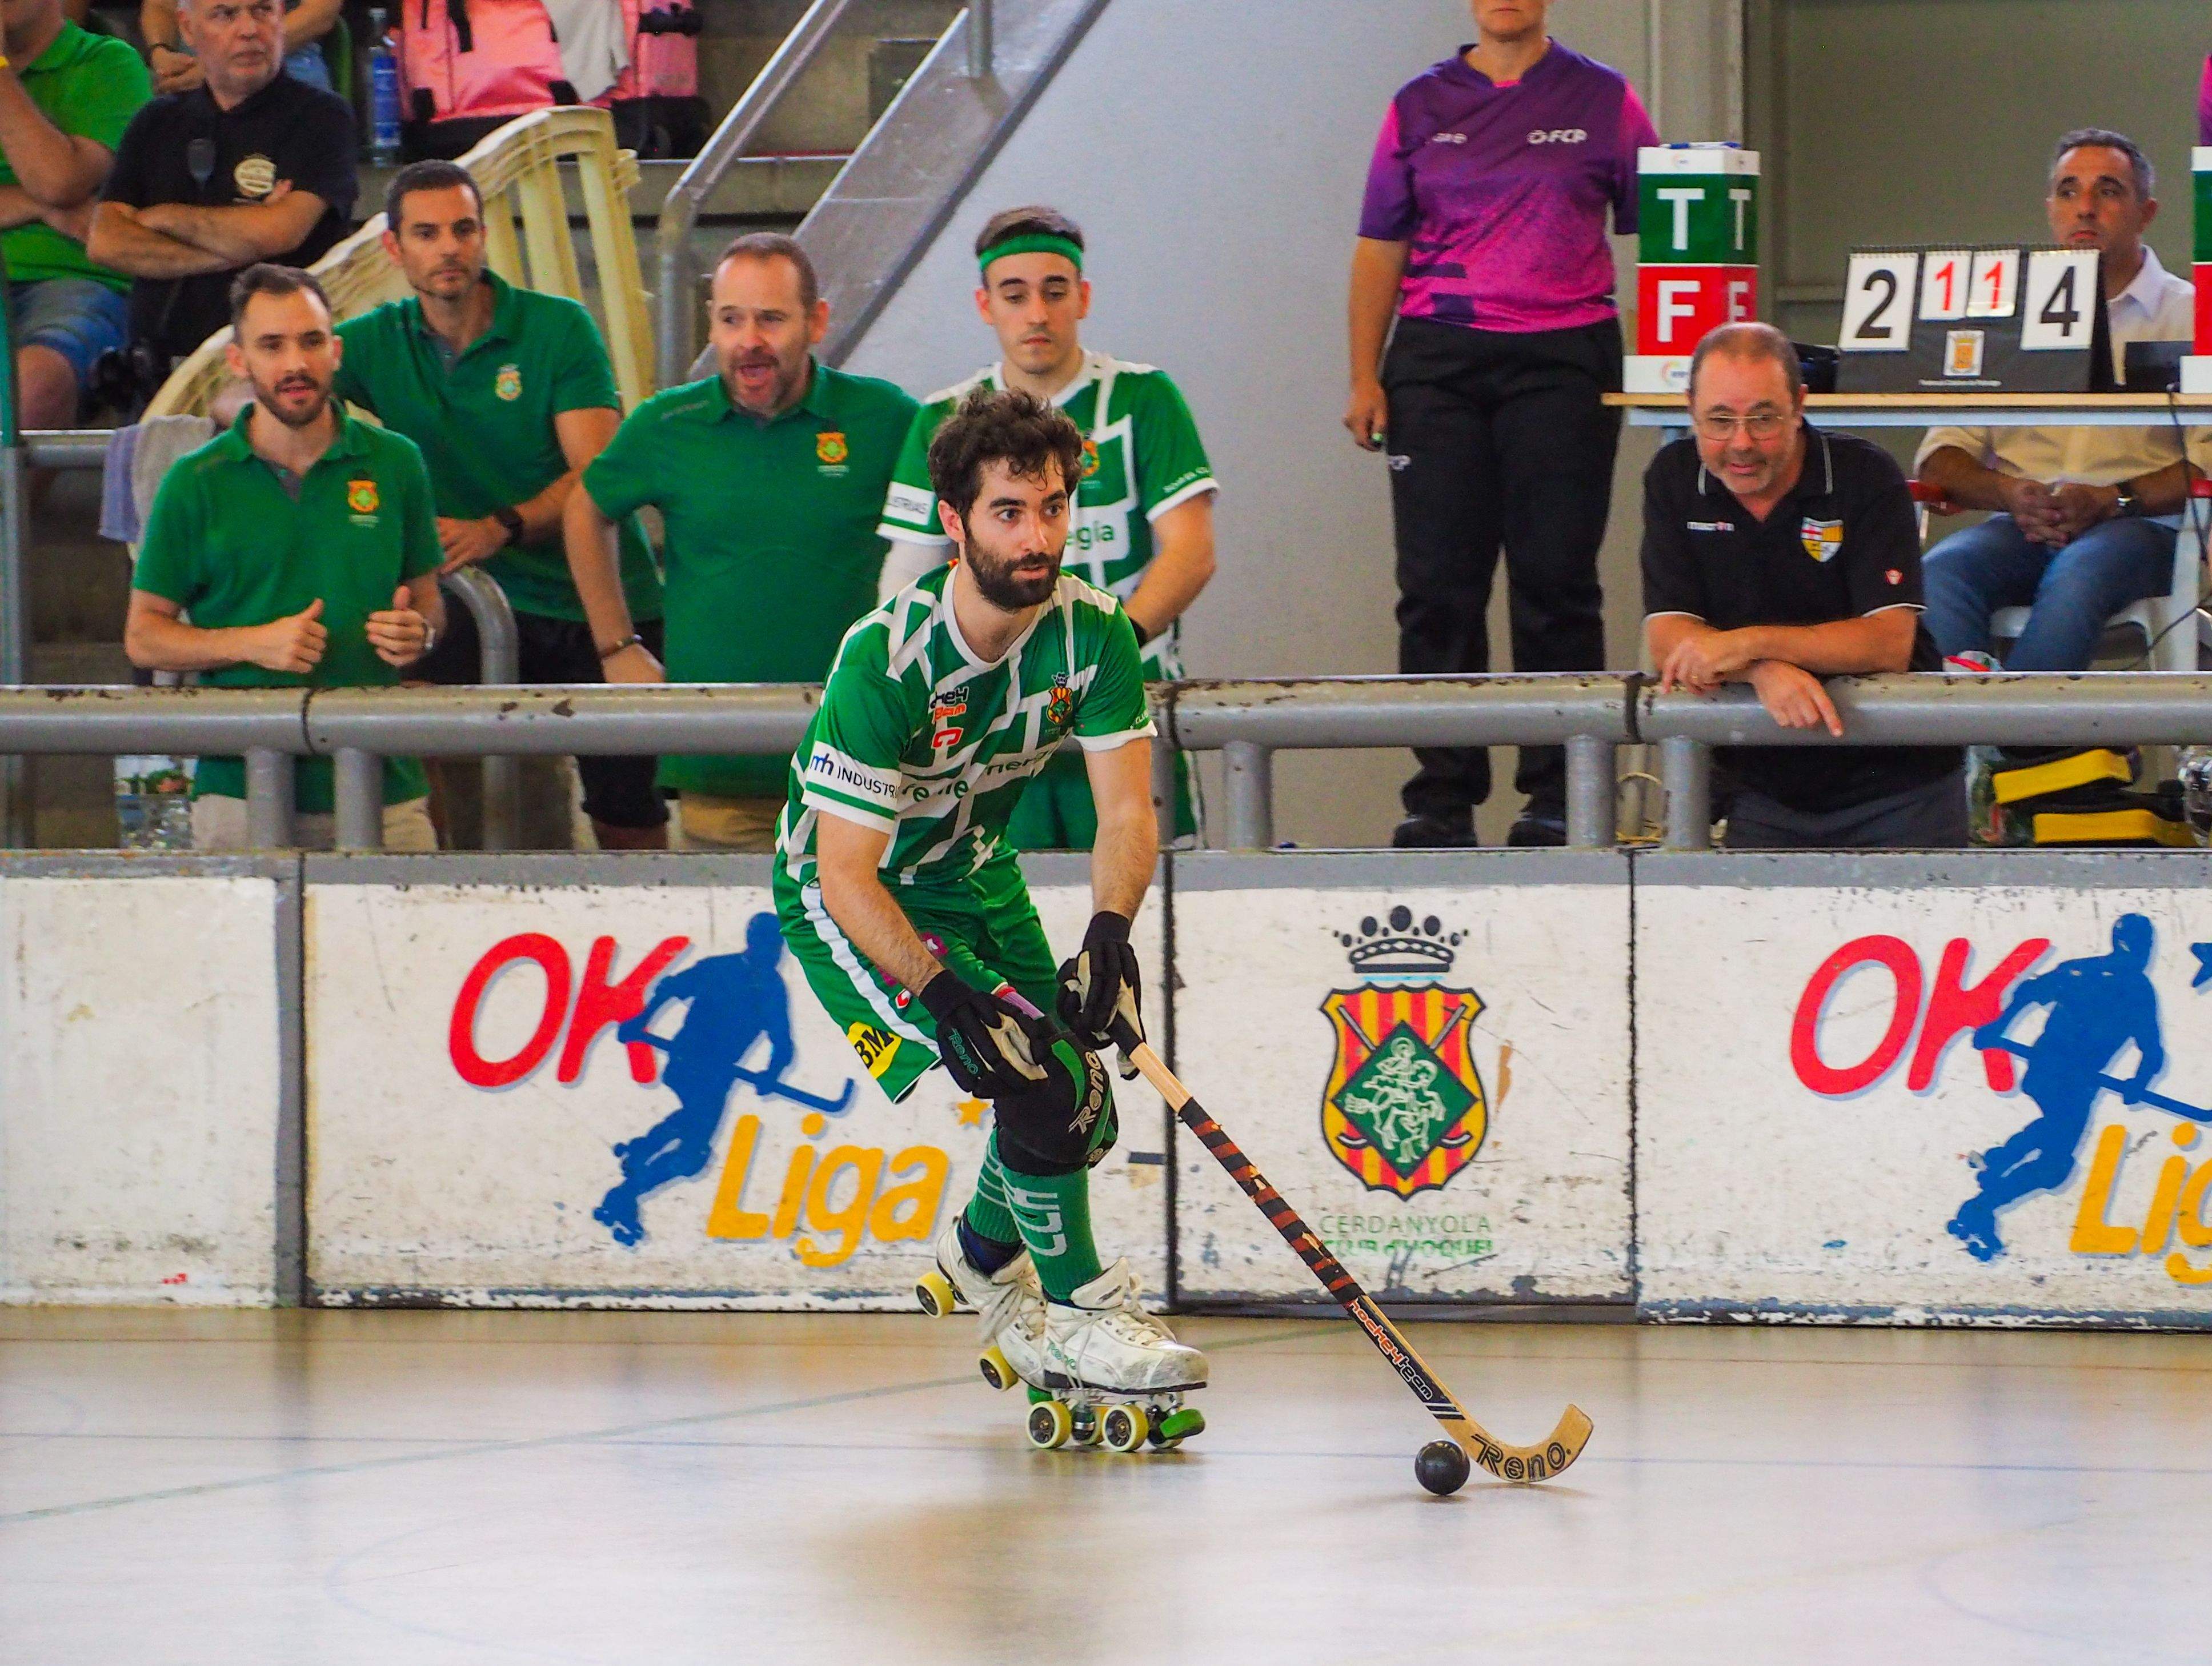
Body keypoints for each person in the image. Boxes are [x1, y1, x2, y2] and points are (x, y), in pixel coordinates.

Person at [775, 387, 1204, 1416]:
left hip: (975, 872)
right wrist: (942, 998)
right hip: (859, 899)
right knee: (1038, 1086)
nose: (1038, 535)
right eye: (1009, 511)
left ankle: (978, 1258)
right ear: (954, 522)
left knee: (1083, 1109)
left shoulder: (1096, 634)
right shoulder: (885, 661)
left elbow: (1125, 816)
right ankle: (1084, 1313)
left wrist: (1109, 935)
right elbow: (845, 873)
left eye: (1053, 507)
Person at [1349, 0, 1658, 849]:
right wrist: (1362, 376)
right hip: (1437, 363)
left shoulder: (1606, 100)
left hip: (1564, 357)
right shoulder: (1419, 106)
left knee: (1556, 581)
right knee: (1436, 589)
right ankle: (1440, 798)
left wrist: (1684, 364)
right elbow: (1380, 244)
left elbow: (1671, 228)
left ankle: (1559, 792)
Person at [334, 159, 668, 851]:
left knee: (625, 815)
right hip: (471, 603)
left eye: (462, 229)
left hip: (593, 598)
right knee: (418, 735)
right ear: (394, 249)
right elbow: (283, 388)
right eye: (426, 234)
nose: (448, 247)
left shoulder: (556, 329)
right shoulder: (376, 340)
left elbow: (597, 476)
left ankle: (652, 955)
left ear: (484, 236)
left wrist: (498, 528)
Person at [877, 205, 1219, 850]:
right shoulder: (938, 416)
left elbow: (1191, 553)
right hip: (987, 717)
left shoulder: (1144, 397)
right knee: (994, 911)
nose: (1036, 313)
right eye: (1015, 294)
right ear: (986, 305)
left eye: (1054, 292)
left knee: (1144, 914)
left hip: (1124, 702)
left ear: (1082, 297)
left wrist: (1101, 659)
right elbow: (906, 577)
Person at [567, 233, 916, 852]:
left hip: (863, 770)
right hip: (719, 772)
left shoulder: (886, 418)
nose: (748, 341)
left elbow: (966, 519)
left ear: (816, 322)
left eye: (770, 319)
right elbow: (586, 510)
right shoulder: (666, 425)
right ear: (711, 324)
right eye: (731, 319)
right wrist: (616, 644)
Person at [122, 264, 444, 851]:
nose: (295, 363)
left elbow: (426, 599)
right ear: (239, 362)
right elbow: (144, 637)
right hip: (239, 788)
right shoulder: (194, 482)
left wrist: (416, 633)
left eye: (311, 341)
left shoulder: (397, 463)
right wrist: (250, 643)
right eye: (272, 345)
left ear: (336, 351)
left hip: (385, 781)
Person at [1642, 323, 1966, 850]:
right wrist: (1762, 671)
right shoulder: (1674, 477)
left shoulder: (1866, 474)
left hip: (1901, 787)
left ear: (1799, 406)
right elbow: (1669, 639)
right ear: (1690, 409)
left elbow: (1888, 642)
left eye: (1763, 418)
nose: (1741, 444)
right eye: (1720, 421)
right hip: (1762, 790)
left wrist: (1748, 643)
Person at [1918, 130, 2212, 671]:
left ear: (2147, 212)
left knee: (2078, 573)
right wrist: (2011, 493)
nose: (2085, 208)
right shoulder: (2003, 313)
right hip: (2021, 525)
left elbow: (2209, 459)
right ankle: (1967, 736)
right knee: (1940, 570)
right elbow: (1941, 457)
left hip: (2140, 528)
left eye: (2108, 191)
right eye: (2069, 191)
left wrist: (2112, 498)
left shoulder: (2194, 314)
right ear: (2050, 208)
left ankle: (2023, 747)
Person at [87, 0, 355, 374]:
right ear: (188, 29)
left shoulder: (321, 116)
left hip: (278, 370)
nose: (248, 29)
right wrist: (243, 246)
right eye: (225, 14)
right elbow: (106, 241)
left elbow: (281, 231)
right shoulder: (156, 122)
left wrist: (165, 217)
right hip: (161, 369)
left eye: (262, 11)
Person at [1951, 914, 2166, 1262]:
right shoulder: (2138, 991)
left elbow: (2029, 992)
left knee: (2054, 1132)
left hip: (2047, 1072)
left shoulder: (2079, 971)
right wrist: (2138, 1085)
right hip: (2074, 1082)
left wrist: (1998, 1025)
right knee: (2054, 1165)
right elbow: (2152, 1052)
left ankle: (1999, 1160)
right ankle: (1980, 1206)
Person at [0, 0, 148, 426]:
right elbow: (51, 197)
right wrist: (37, 207)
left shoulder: (107, 63)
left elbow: (58, 181)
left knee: (36, 379)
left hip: (74, 279)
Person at [141, 0, 340, 95]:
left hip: (285, 60)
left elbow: (322, 13)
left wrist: (219, 65)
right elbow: (159, 6)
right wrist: (161, 51)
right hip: (188, 65)